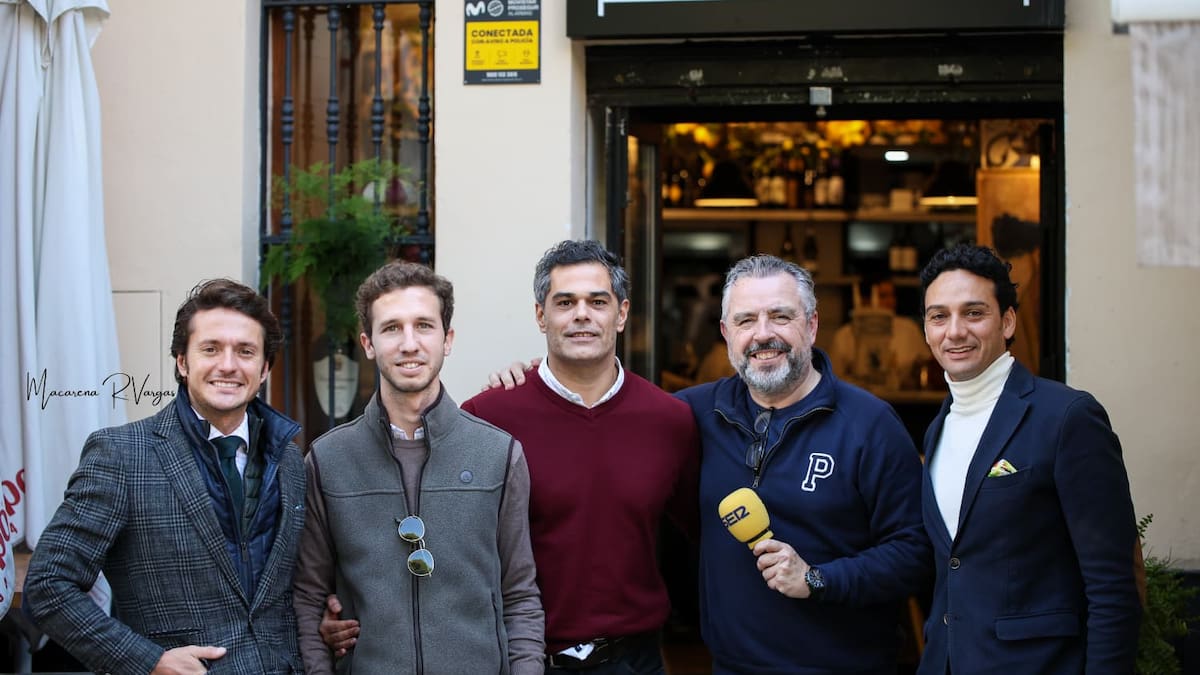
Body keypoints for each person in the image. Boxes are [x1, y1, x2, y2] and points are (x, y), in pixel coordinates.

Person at [323, 241, 699, 673]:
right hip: (521, 656)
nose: (582, 314)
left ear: (623, 313)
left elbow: (698, 540)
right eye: (564, 302)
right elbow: (438, 541)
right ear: (541, 315)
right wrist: (345, 606)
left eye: (598, 301)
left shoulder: (668, 420)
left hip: (635, 660)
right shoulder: (490, 416)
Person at [25, 278, 306, 673]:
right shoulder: (122, 456)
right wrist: (148, 661)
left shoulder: (290, 460)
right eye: (211, 349)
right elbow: (48, 586)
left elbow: (285, 588)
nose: (228, 365)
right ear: (182, 362)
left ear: (264, 369)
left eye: (245, 351)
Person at [675, 254, 928, 674]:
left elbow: (916, 554)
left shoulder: (870, 424)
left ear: (811, 325)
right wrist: (534, 379)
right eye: (745, 321)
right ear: (725, 333)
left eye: (780, 316)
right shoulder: (693, 414)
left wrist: (818, 579)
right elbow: (611, 416)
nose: (762, 334)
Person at [292, 261, 544, 674]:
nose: (409, 343)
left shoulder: (498, 454)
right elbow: (308, 597)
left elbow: (519, 595)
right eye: (392, 328)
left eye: (424, 326)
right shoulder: (327, 460)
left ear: (447, 339)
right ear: (368, 343)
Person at [917, 245, 1140, 674]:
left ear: (1008, 321)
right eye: (939, 316)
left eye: (974, 313)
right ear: (926, 329)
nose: (955, 331)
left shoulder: (1067, 417)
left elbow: (1113, 586)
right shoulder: (938, 428)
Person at [828, 277, 928, 384]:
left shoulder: (909, 329)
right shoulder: (843, 336)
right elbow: (833, 380)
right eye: (883, 296)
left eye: (892, 296)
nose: (890, 301)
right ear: (865, 300)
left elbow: (926, 367)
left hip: (902, 398)